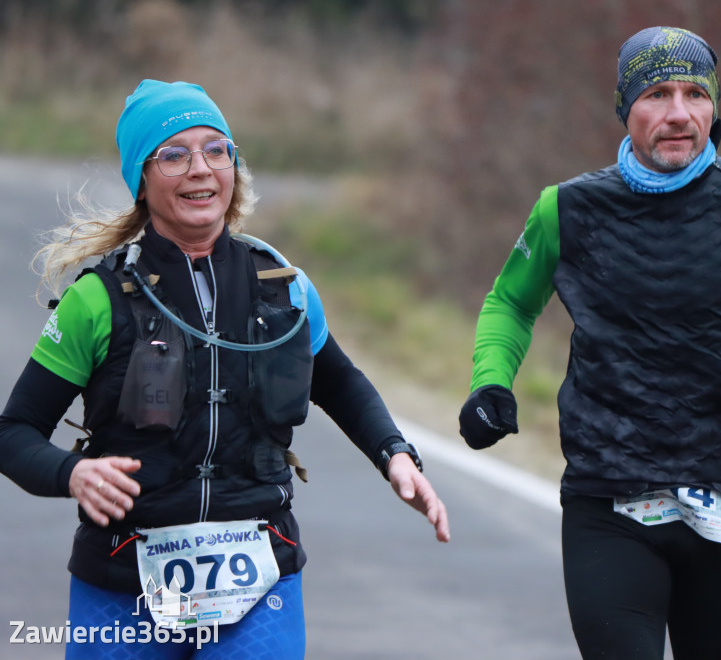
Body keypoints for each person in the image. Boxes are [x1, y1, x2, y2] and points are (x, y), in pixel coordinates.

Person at [0, 79, 450, 659]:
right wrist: (73, 474)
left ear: (234, 167)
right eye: (173, 154)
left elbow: (337, 380)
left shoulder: (283, 284)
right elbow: (13, 434)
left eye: (217, 150)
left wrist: (395, 453)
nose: (200, 169)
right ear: (142, 178)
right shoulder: (98, 299)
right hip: (122, 580)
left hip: (260, 581)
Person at [458, 27, 721, 659]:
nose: (677, 114)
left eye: (695, 94)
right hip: (608, 490)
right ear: (625, 107)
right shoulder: (565, 209)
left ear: (713, 107)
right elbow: (509, 302)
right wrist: (491, 380)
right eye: (657, 94)